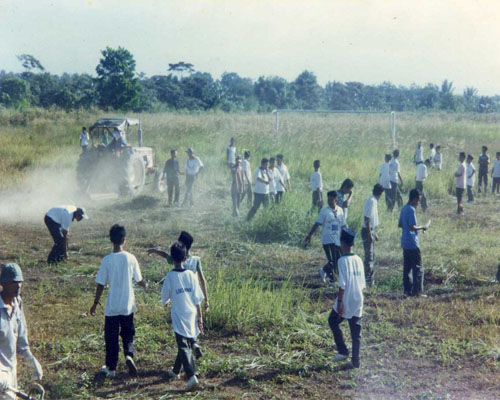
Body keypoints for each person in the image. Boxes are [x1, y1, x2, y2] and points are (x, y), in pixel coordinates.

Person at [90, 224, 147, 379]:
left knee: (111, 338)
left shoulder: (106, 260)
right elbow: (139, 279)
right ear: (124, 240)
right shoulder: (131, 258)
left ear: (111, 240)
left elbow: (100, 283)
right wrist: (144, 284)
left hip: (112, 307)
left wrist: (95, 303)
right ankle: (129, 355)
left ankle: (111, 368)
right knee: (128, 334)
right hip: (128, 305)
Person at [148, 231, 209, 359]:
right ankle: (193, 346)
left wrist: (154, 251)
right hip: (194, 299)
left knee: (182, 337)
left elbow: (166, 256)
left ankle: (191, 353)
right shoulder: (196, 260)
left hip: (180, 300)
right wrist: (206, 300)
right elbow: (202, 280)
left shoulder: (178, 259)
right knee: (191, 330)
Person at [161, 242, 204, 391]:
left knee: (182, 344)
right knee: (186, 341)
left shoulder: (170, 277)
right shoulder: (191, 275)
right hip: (191, 312)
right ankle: (175, 371)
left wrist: (166, 301)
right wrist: (200, 318)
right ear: (185, 258)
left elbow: (165, 297)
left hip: (179, 315)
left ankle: (192, 376)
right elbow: (197, 298)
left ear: (172, 258)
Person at [0, 263, 43, 400]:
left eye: (20, 282)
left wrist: (31, 360)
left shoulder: (17, 303)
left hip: (12, 369)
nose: (18, 286)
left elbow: (22, 342)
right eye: (13, 282)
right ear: (3, 284)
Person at [328, 228, 365, 370]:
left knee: (332, 321)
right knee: (356, 332)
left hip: (347, 298)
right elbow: (362, 283)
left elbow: (342, 284)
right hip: (358, 297)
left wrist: (340, 302)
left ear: (342, 243)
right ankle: (355, 361)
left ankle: (343, 350)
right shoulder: (359, 259)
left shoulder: (342, 260)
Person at [304, 190, 346, 285]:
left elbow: (343, 225)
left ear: (336, 200)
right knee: (333, 261)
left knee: (339, 260)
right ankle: (332, 280)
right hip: (327, 240)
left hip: (337, 240)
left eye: (332, 200)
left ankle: (323, 271)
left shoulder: (340, 210)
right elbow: (317, 224)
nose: (330, 202)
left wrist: (346, 237)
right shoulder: (324, 211)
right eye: (329, 200)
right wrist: (309, 235)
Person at [398, 189, 427, 297]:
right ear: (414, 199)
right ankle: (417, 292)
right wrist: (422, 227)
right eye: (418, 200)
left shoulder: (404, 208)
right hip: (412, 242)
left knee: (407, 268)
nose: (418, 203)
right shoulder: (411, 210)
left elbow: (400, 224)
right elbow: (412, 227)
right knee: (418, 267)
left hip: (405, 242)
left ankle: (407, 290)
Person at [361, 184, 384, 287]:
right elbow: (367, 218)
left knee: (371, 256)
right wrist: (370, 234)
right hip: (367, 231)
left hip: (371, 230)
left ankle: (370, 279)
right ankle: (368, 280)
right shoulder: (371, 201)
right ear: (381, 193)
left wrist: (374, 233)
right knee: (369, 256)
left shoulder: (373, 200)